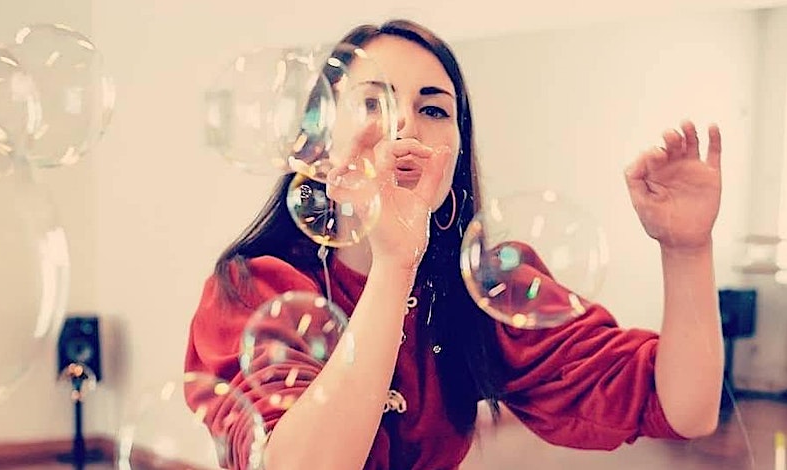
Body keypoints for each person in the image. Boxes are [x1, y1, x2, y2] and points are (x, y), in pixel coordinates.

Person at [184, 19, 724, 470]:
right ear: (320, 139)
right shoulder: (253, 287)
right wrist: (396, 261)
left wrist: (686, 250)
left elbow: (686, 409)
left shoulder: (490, 282)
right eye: (373, 103)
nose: (403, 128)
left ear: (457, 153)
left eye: (434, 110)